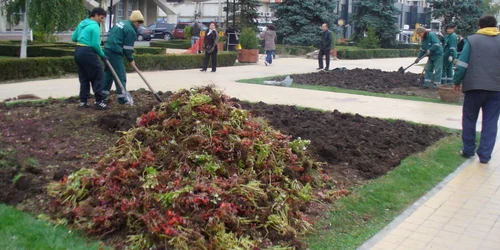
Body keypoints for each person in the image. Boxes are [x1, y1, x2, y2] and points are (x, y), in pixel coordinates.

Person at [453, 15, 500, 164]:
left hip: (473, 87)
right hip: (495, 89)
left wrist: (456, 81)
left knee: (469, 118)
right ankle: (485, 155)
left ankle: (468, 150)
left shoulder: (472, 40)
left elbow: (462, 65)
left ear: (480, 27)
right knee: (491, 121)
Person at [102, 10, 144, 105]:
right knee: (120, 75)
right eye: (139, 23)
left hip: (107, 50)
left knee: (108, 74)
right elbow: (128, 48)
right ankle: (123, 99)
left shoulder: (120, 23)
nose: (139, 25)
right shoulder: (130, 30)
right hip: (115, 52)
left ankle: (101, 96)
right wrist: (130, 59)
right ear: (135, 21)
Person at [72, 8, 108, 110]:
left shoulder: (82, 24)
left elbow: (74, 38)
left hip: (78, 51)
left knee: (84, 77)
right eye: (101, 18)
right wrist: (102, 55)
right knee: (98, 75)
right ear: (96, 15)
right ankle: (99, 101)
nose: (102, 20)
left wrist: (83, 36)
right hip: (88, 52)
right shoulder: (94, 26)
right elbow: (95, 44)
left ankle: (83, 102)